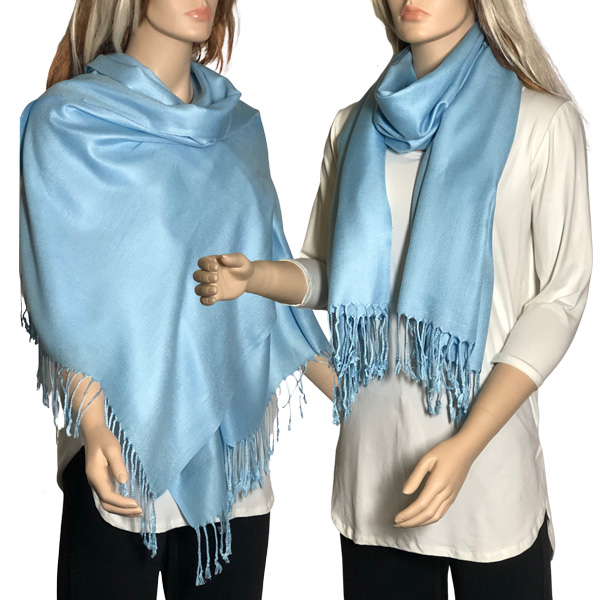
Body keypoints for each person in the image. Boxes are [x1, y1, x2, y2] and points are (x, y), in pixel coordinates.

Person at [193, 1, 593, 598]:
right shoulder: (352, 128)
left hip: (488, 467)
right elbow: (335, 277)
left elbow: (558, 300)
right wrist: (257, 277)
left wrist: (466, 445)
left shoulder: (541, 123)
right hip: (374, 467)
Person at [19, 1, 331, 598]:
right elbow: (61, 284)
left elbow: (268, 281)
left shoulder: (240, 128)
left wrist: (349, 393)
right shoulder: (68, 120)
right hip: (119, 444)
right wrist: (92, 422)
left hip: (233, 458)